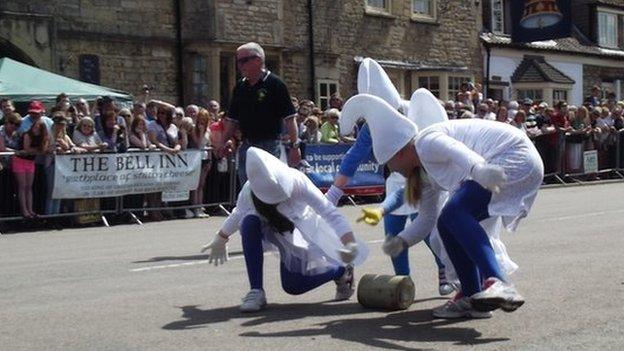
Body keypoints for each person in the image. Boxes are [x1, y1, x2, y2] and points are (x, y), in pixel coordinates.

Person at [339, 93, 544, 319]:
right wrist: (401, 242)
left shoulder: (425, 141)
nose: (392, 170)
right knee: (446, 222)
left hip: (513, 156)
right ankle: (471, 296)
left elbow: (456, 150)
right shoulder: (425, 175)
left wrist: (479, 171)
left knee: (455, 212)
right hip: (508, 164)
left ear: (399, 152)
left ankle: (499, 282)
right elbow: (427, 219)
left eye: (390, 164)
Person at [324, 59, 452, 295]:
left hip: (425, 178)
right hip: (397, 180)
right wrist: (333, 194)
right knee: (393, 236)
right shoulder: (371, 125)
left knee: (428, 231)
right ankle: (403, 283)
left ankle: (445, 271)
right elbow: (354, 156)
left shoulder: (415, 110)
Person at [201, 147, 367, 312]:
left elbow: (330, 213)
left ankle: (340, 271)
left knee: (292, 285)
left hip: (298, 230)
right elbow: (238, 213)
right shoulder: (248, 190)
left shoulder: (298, 180)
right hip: (270, 227)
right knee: (249, 222)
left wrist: (349, 244)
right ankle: (256, 290)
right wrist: (221, 237)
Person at [216, 42, 300, 183]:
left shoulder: (276, 84)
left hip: (269, 145)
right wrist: (222, 142)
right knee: (246, 188)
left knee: (266, 187)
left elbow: (290, 118)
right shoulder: (240, 87)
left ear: (258, 60)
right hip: (247, 144)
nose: (239, 65)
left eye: (243, 61)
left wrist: (294, 146)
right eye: (238, 61)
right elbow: (232, 120)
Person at [14, 120, 50, 218]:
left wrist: (35, 150)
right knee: (23, 186)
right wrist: (37, 150)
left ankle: (30, 210)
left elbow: (44, 149)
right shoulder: (27, 134)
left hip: (30, 162)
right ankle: (24, 210)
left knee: (29, 187)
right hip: (19, 161)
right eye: (35, 127)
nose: (36, 129)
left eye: (39, 128)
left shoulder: (43, 137)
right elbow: (27, 149)